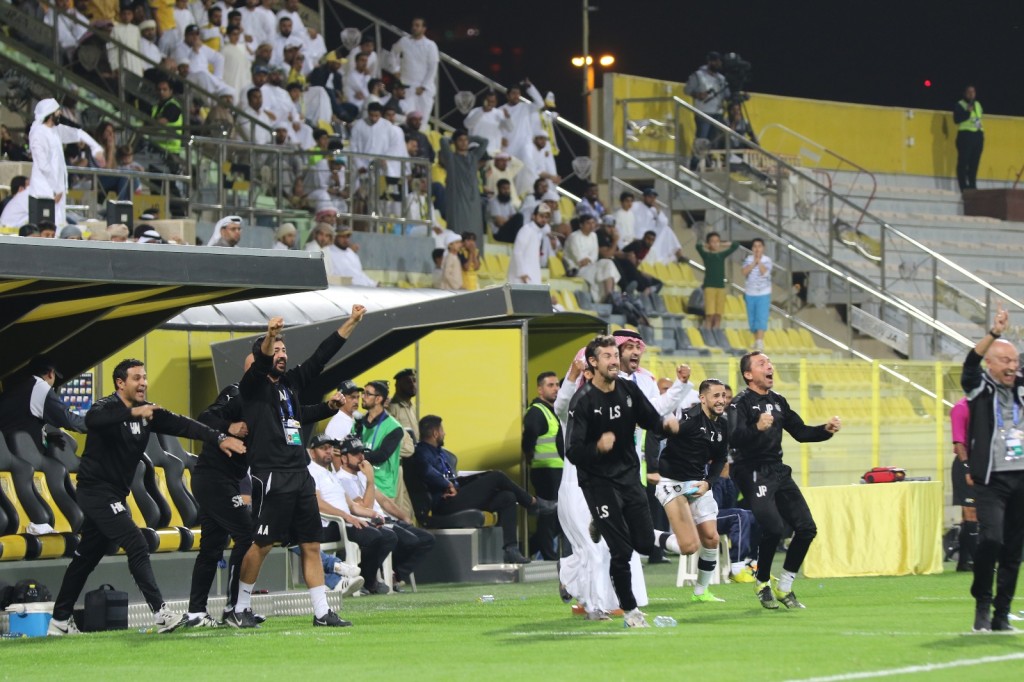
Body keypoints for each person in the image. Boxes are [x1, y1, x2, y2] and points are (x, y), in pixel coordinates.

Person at [47, 359, 246, 636]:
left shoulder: (147, 412)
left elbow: (185, 425)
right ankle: (161, 613)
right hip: (94, 492)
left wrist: (218, 437)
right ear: (120, 383)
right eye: (136, 378)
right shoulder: (105, 408)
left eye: (144, 377)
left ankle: (59, 621)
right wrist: (132, 413)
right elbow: (92, 421)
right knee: (136, 542)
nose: (143, 383)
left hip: (115, 494)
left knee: (87, 557)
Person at [229, 308, 365, 629]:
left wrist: (350, 324)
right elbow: (261, 361)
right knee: (262, 544)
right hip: (272, 474)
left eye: (284, 350)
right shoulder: (252, 386)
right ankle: (240, 608)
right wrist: (270, 335)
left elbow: (319, 359)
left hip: (299, 474)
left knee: (311, 544)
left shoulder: (289, 384)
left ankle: (321, 612)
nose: (281, 354)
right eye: (276, 350)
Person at [185, 357, 345, 626]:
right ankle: (236, 609)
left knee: (212, 547)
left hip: (233, 478)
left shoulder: (269, 399)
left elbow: (298, 415)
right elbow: (206, 417)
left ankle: (197, 612)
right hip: (213, 477)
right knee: (247, 536)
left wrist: (327, 407)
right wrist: (229, 428)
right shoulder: (236, 392)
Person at [565, 335, 680, 628]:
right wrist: (597, 448)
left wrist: (666, 426)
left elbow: (651, 420)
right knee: (621, 551)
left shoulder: (628, 389)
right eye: (607, 356)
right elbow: (573, 451)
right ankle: (631, 611)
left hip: (628, 476)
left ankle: (602, 523)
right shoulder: (583, 401)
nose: (614, 360)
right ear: (593, 362)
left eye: (615, 355)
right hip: (598, 481)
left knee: (643, 544)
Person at [730, 350, 841, 610]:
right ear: (748, 374)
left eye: (770, 361)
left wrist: (825, 431)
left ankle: (785, 587)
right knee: (774, 528)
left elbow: (801, 432)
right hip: (751, 470)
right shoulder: (740, 403)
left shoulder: (779, 401)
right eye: (762, 363)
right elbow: (733, 437)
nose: (770, 366)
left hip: (777, 470)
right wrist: (756, 428)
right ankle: (762, 581)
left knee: (807, 528)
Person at [412, 414, 555, 563]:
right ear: (435, 433)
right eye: (442, 430)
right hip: (444, 504)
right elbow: (427, 472)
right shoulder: (421, 452)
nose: (444, 433)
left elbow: (452, 479)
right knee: (497, 476)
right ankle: (533, 503)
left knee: (507, 497)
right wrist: (447, 485)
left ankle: (511, 550)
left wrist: (457, 483)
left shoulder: (439, 452)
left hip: (456, 497)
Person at [960, 307, 1024, 632]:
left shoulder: (1022, 388)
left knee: (1014, 549)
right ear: (991, 364)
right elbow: (969, 365)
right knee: (992, 540)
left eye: (1015, 362)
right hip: (990, 480)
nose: (1012, 367)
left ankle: (1001, 614)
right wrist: (995, 333)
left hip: (1021, 478)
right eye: (1005, 362)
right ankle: (982, 600)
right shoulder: (978, 388)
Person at [655, 379, 731, 602]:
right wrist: (651, 466)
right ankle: (638, 533)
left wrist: (708, 482)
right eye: (715, 396)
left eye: (723, 396)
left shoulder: (723, 424)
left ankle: (701, 591)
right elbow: (655, 435)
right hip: (671, 482)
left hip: (698, 483)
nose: (721, 400)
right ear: (703, 398)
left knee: (711, 537)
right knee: (688, 547)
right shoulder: (688, 419)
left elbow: (719, 460)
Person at [334, 434, 434, 590]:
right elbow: (364, 508)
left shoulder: (362, 475)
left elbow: (385, 501)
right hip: (372, 523)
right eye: (356, 454)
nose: (361, 457)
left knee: (427, 539)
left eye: (362, 452)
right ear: (344, 458)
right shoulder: (341, 479)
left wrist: (405, 517)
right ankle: (375, 575)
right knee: (409, 541)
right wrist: (371, 480)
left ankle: (395, 575)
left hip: (387, 520)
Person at [306, 434, 394, 596]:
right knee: (373, 536)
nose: (328, 452)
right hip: (329, 525)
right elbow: (318, 504)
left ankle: (366, 579)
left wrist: (373, 514)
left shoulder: (330, 473)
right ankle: (366, 580)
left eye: (330, 448)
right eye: (323, 448)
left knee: (388, 536)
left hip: (345, 522)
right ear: (312, 453)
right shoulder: (311, 472)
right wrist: (346, 517)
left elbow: (352, 505)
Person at [0, 355, 86, 450]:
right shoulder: (39, 387)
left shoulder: (22, 386)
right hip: (9, 451)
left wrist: (44, 438)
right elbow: (69, 421)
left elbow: (20, 421)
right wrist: (94, 422)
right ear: (51, 373)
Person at [523, 371, 564, 561]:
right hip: (546, 471)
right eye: (551, 385)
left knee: (556, 516)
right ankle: (548, 554)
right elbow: (530, 431)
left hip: (556, 470)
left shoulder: (551, 410)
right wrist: (528, 452)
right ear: (540, 389)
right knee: (549, 514)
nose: (556, 388)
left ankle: (535, 547)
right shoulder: (537, 411)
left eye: (557, 385)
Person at [352, 380, 406, 504]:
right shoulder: (358, 424)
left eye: (367, 394)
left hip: (383, 489)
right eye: (363, 394)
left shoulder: (394, 427)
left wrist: (358, 456)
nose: (362, 397)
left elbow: (382, 455)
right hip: (361, 486)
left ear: (378, 399)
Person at [439, 130, 488, 242]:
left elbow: (485, 142)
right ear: (455, 142)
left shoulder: (474, 157)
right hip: (458, 200)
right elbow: (442, 140)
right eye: (460, 140)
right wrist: (452, 139)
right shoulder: (451, 158)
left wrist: (471, 138)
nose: (464, 142)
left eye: (466, 140)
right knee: (458, 231)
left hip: (473, 200)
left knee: (475, 231)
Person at [390, 17, 438, 129]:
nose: (414, 28)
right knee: (407, 118)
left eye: (417, 25)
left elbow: (432, 68)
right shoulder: (404, 41)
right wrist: (395, 70)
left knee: (422, 122)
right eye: (413, 25)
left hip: (424, 90)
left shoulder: (430, 45)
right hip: (407, 87)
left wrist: (423, 86)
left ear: (424, 28)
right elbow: (393, 53)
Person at [684, 51, 729, 170]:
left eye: (719, 62)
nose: (718, 64)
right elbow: (687, 90)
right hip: (703, 111)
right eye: (716, 61)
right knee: (702, 138)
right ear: (710, 62)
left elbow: (727, 94)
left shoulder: (721, 78)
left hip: (717, 112)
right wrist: (698, 94)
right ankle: (694, 163)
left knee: (713, 140)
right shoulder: (699, 75)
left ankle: (707, 163)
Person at [949, 397, 976, 572]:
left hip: (981, 463)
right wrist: (967, 468)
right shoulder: (960, 408)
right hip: (966, 464)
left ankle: (963, 562)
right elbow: (959, 443)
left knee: (971, 514)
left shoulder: (985, 405)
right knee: (971, 511)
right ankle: (977, 561)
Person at [696, 231, 740, 330]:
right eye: (712, 241)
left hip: (720, 287)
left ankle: (716, 332)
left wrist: (722, 244)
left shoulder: (721, 255)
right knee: (710, 314)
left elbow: (735, 245)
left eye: (717, 241)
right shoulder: (706, 255)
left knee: (718, 314)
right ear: (708, 243)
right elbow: (698, 245)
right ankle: (707, 332)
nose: (715, 243)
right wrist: (706, 245)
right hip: (709, 286)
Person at [507, 203, 549, 284]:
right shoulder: (526, 230)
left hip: (531, 276)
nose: (543, 219)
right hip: (521, 277)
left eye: (546, 217)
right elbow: (517, 252)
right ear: (533, 216)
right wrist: (522, 273)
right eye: (541, 216)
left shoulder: (538, 233)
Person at [742, 238, 773, 349]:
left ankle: (760, 340)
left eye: (759, 246)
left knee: (761, 316)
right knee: (752, 318)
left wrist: (758, 262)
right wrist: (753, 263)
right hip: (750, 293)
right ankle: (756, 340)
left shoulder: (767, 260)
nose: (757, 249)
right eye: (755, 246)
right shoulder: (748, 259)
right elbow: (744, 272)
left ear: (763, 248)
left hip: (763, 293)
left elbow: (765, 272)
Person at [953, 85, 983, 192]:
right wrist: (967, 111)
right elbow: (956, 120)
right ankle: (963, 186)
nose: (971, 94)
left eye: (973, 92)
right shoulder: (960, 104)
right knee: (963, 162)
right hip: (965, 135)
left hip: (977, 135)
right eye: (969, 92)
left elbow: (978, 119)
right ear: (965, 93)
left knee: (974, 162)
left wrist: (980, 132)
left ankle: (972, 185)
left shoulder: (978, 104)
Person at [465, 91, 512, 156]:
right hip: (475, 149)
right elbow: (467, 125)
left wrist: (507, 118)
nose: (490, 103)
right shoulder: (475, 111)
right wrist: (482, 111)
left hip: (492, 151)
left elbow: (510, 129)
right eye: (488, 101)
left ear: (496, 102)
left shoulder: (499, 113)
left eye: (492, 102)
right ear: (484, 101)